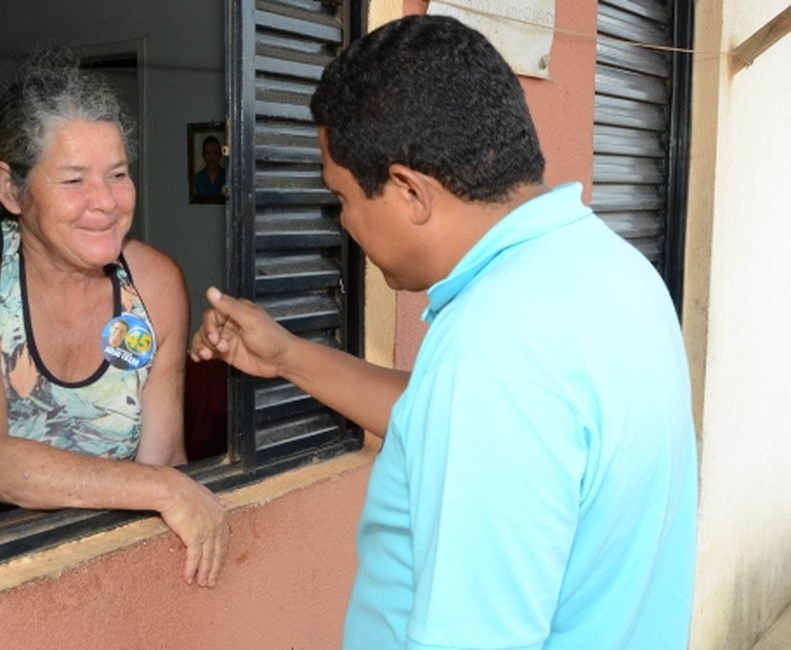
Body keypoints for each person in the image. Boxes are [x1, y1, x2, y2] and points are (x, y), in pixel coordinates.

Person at [191, 15, 696, 648]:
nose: (343, 222)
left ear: (409, 192)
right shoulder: (609, 270)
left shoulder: (498, 347)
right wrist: (289, 356)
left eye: (342, 198)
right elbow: (450, 418)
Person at [0, 48, 228, 587]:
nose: (106, 202)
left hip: (111, 576)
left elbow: (165, 455)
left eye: (117, 174)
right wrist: (160, 490)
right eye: (73, 181)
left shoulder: (154, 285)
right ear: (9, 188)